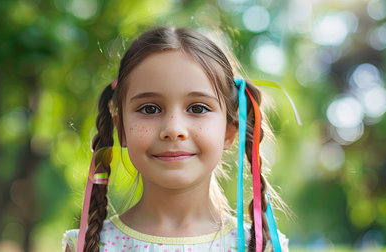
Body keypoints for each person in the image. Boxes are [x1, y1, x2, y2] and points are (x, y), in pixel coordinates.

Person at [63, 26, 291, 252]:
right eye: (150, 109)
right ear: (121, 129)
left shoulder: (262, 246)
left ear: (229, 132)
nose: (173, 129)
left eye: (198, 108)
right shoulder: (87, 245)